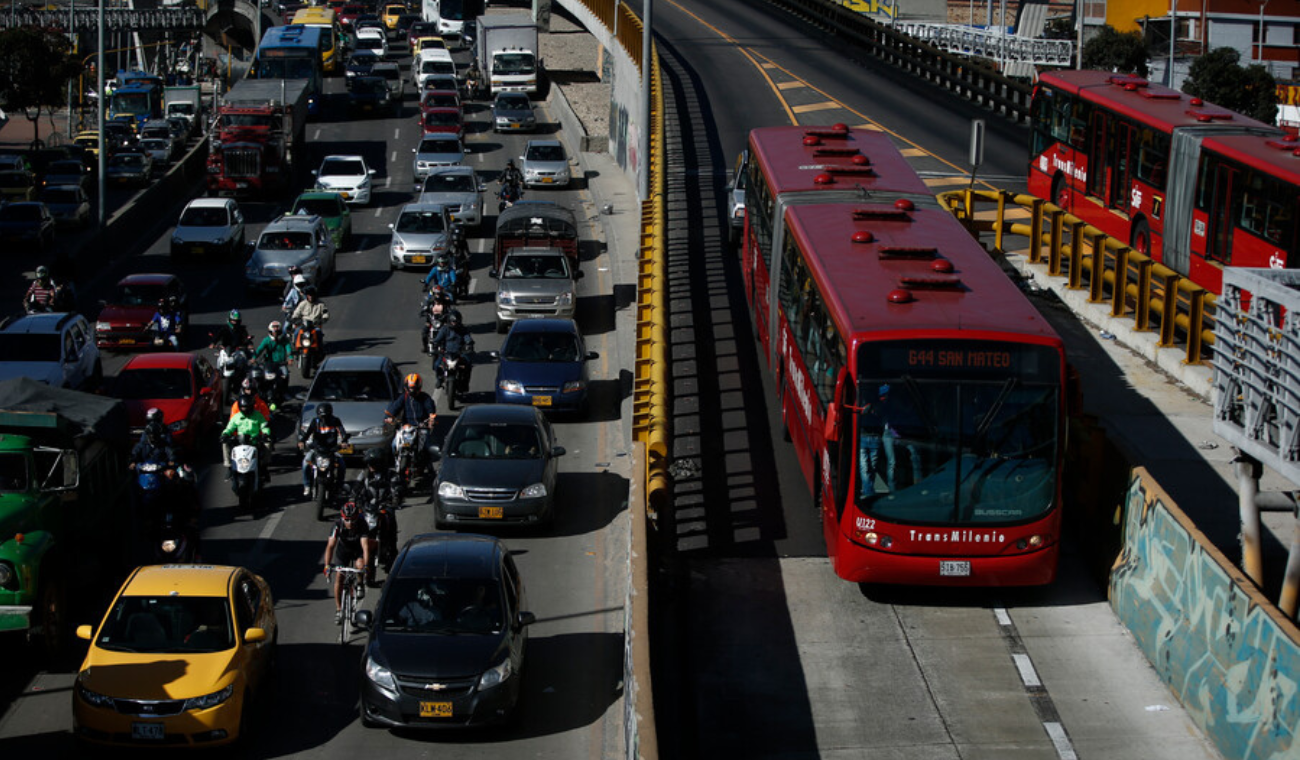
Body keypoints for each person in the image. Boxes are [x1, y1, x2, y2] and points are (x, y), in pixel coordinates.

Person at [323, 502, 373, 624]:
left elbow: (365, 547)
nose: (350, 523)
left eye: (352, 520)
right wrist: (327, 566)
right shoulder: (337, 525)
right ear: (342, 518)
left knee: (360, 565)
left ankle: (360, 583)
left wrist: (366, 567)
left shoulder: (362, 524)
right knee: (339, 577)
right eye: (347, 520)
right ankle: (339, 609)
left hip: (358, 550)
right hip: (343, 551)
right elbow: (330, 546)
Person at [299, 402, 349, 498]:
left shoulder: (335, 421)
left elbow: (342, 432)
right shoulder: (315, 422)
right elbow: (308, 433)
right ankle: (307, 485)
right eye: (321, 416)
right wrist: (302, 441)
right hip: (317, 449)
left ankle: (339, 487)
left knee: (342, 465)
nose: (323, 419)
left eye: (325, 417)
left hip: (331, 450)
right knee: (305, 463)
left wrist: (344, 441)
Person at [384, 373, 436, 459]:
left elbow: (430, 408)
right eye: (410, 388)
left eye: (414, 388)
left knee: (427, 448)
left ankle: (429, 467)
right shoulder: (403, 397)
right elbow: (394, 407)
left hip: (421, 427)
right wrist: (388, 417)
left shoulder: (425, 397)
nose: (412, 391)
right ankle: (397, 461)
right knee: (394, 445)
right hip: (406, 427)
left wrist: (431, 419)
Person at [221, 394, 271, 476]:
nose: (245, 409)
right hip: (239, 441)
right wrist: (225, 434)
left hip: (254, 441)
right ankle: (229, 466)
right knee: (225, 443)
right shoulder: (236, 417)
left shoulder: (258, 416)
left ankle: (264, 466)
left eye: (247, 407)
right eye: (243, 407)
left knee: (268, 443)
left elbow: (264, 426)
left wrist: (266, 434)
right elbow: (229, 428)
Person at [430, 309, 474, 389]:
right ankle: (439, 379)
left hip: (459, 354)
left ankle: (465, 383)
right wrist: (435, 345)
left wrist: (469, 344)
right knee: (436, 365)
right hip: (446, 353)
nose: (454, 323)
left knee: (468, 365)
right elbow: (437, 339)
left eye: (456, 322)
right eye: (453, 321)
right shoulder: (444, 329)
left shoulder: (463, 329)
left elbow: (467, 338)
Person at [254, 321, 292, 405]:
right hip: (269, 363)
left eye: (277, 332)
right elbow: (259, 349)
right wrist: (253, 358)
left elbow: (288, 349)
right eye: (274, 332)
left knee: (285, 375)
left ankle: (284, 392)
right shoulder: (266, 340)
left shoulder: (284, 339)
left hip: (281, 363)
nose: (276, 334)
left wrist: (290, 358)